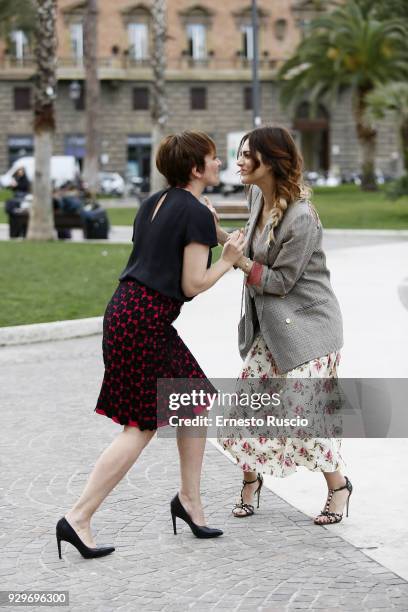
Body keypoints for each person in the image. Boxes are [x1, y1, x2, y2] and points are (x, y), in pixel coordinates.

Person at [56, 131, 245, 559]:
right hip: (145, 320)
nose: (220, 165)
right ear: (197, 169)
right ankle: (78, 518)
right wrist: (228, 263)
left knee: (194, 397)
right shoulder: (193, 210)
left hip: (125, 311)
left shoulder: (154, 203)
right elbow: (192, 284)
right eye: (214, 160)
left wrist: (214, 229)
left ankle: (189, 502)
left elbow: (168, 249)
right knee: (139, 427)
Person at [209, 126, 353, 525]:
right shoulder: (257, 195)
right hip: (270, 329)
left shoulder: (302, 217)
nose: (237, 161)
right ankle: (252, 482)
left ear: (269, 161)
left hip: (309, 330)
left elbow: (279, 282)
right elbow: (244, 251)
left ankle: (339, 487)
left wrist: (235, 261)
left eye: (245, 155)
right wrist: (215, 229)